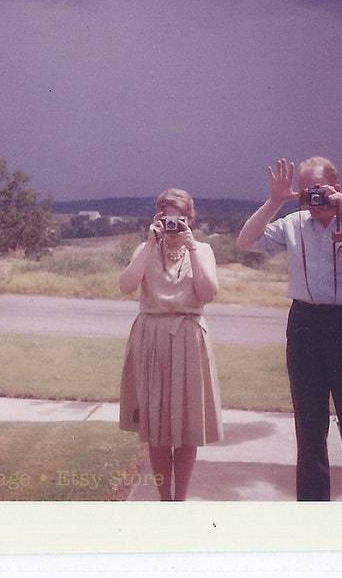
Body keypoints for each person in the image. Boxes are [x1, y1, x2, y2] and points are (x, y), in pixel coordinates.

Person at [236, 157, 342, 501]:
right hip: (306, 326)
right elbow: (245, 242)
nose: (311, 200)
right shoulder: (294, 223)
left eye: (318, 190)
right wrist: (275, 201)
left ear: (335, 188)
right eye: (304, 191)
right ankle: (313, 513)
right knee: (309, 429)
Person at [118, 188, 223, 501]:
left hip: (189, 337)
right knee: (156, 427)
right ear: (158, 218)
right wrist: (151, 244)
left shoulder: (202, 250)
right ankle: (165, 499)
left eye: (179, 218)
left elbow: (208, 293)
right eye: (167, 218)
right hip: (150, 337)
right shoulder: (146, 248)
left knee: (188, 424)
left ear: (190, 220)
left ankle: (181, 499)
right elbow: (125, 286)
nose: (173, 225)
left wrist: (190, 247)